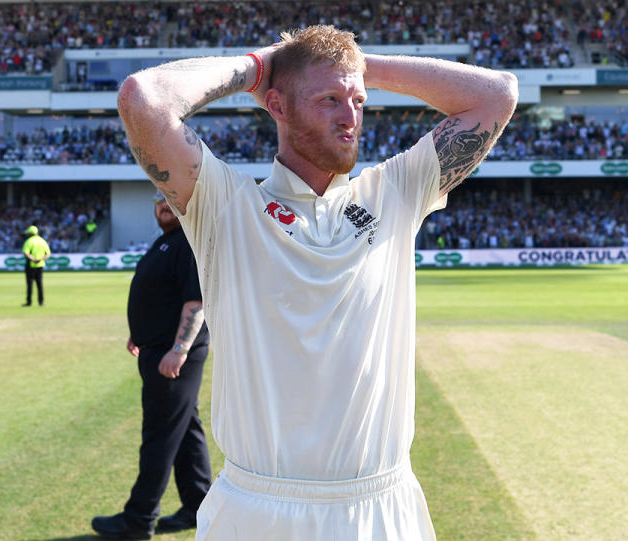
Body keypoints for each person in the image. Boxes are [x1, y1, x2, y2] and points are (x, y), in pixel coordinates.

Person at [116, 25, 518, 540]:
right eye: (329, 99)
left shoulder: (395, 191)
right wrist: (262, 67)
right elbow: (142, 98)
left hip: (379, 509)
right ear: (277, 106)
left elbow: (498, 95)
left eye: (358, 100)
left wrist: (352, 65)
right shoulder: (225, 205)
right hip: (257, 511)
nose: (351, 116)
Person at [92, 192, 211, 539]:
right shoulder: (168, 242)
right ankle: (197, 506)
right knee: (186, 431)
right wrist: (139, 334)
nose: (162, 203)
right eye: (158, 198)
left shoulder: (188, 241)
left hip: (173, 356)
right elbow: (160, 296)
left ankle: (138, 519)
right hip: (158, 349)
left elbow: (195, 300)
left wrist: (178, 349)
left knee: (159, 434)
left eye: (169, 198)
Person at [22, 224, 51, 306]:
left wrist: (34, 260)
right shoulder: (42, 241)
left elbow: (26, 253)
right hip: (40, 265)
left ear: (30, 233)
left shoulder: (29, 241)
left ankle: (29, 302)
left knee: (30, 284)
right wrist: (41, 260)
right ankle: (41, 302)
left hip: (30, 265)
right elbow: (48, 254)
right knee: (40, 284)